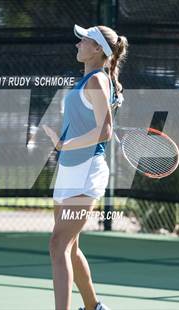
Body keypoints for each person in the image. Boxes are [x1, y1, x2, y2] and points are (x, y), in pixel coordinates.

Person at [43, 24, 128, 310]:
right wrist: (63, 139)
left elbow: (105, 131)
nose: (78, 43)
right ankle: (93, 307)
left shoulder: (97, 81)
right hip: (70, 169)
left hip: (86, 170)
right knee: (71, 246)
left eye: (85, 40)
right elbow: (90, 123)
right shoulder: (92, 80)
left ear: (97, 50)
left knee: (58, 245)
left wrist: (67, 145)